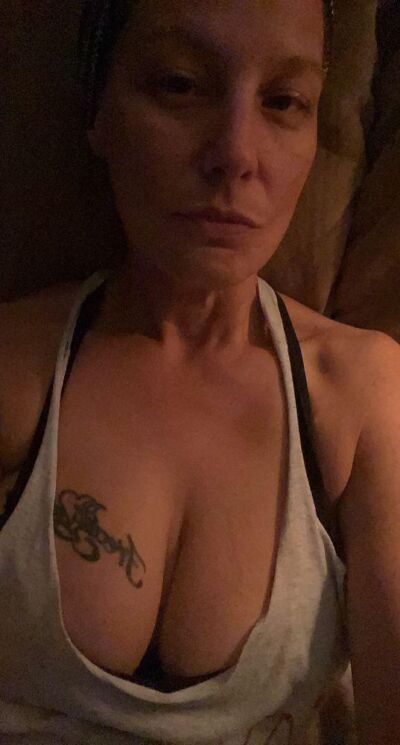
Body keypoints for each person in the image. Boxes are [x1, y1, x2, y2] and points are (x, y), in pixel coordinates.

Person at [0, 1, 399, 743]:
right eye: (180, 85)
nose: (236, 154)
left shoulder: (362, 394)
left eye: (284, 101)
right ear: (99, 114)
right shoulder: (16, 368)